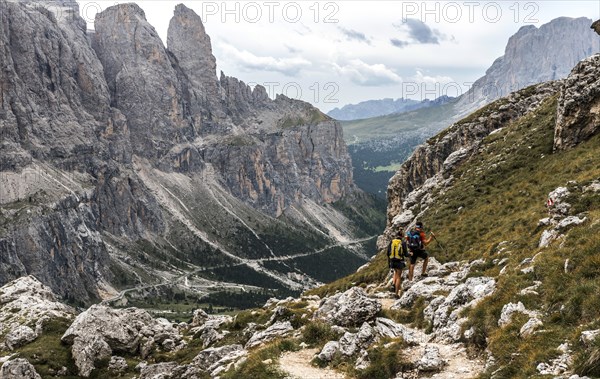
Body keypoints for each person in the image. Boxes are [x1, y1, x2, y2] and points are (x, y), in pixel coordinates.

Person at [387, 229, 408, 298]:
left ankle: (393, 284)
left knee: (395, 272)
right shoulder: (403, 243)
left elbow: (388, 253)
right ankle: (396, 294)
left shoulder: (392, 242)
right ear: (402, 236)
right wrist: (410, 254)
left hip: (392, 261)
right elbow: (406, 254)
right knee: (399, 276)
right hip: (399, 261)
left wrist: (389, 263)